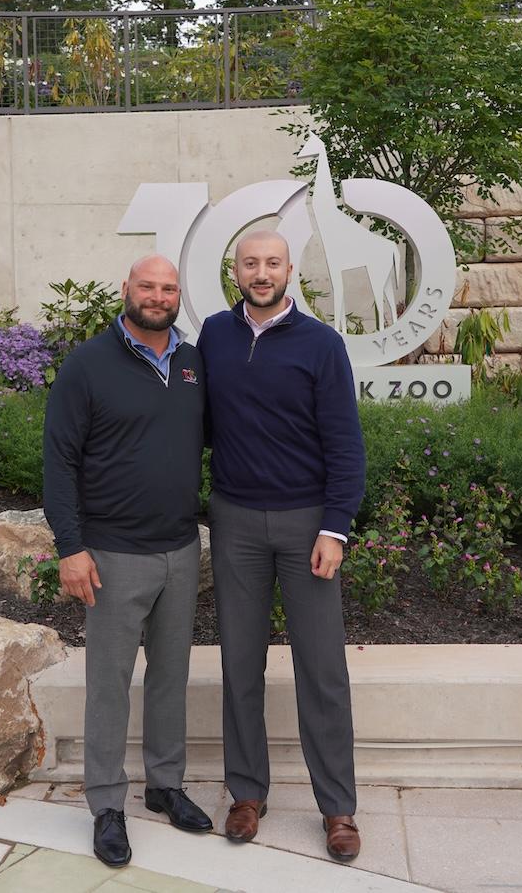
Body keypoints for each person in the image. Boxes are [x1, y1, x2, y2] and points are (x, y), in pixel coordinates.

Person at [196, 228, 366, 862]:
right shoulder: (215, 335)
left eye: (271, 263)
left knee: (321, 670)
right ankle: (246, 793)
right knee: (240, 664)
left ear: (290, 270)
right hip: (236, 521)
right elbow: (198, 424)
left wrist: (335, 527)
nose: (261, 273)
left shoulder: (322, 345)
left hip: (306, 526)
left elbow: (346, 446)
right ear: (234, 271)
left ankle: (338, 808)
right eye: (250, 263)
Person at [43, 254, 212, 868]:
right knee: (108, 684)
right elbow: (59, 463)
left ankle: (166, 786)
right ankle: (108, 804)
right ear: (126, 290)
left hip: (180, 548)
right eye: (148, 285)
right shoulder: (88, 365)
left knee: (171, 675)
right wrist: (70, 547)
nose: (159, 296)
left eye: (169, 288)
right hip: (112, 553)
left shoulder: (193, 363)